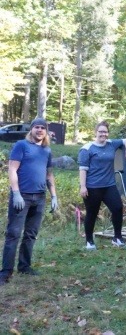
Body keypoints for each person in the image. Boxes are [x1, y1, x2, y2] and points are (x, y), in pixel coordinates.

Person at [0, 118, 58, 286]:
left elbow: (49, 174)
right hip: (22, 197)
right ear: (31, 129)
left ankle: (24, 266)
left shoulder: (46, 150)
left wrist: (53, 196)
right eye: (37, 127)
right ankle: (6, 271)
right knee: (13, 234)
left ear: (46, 131)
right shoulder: (21, 145)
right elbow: (12, 169)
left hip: (39, 198)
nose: (40, 130)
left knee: (31, 234)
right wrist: (16, 193)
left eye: (43, 128)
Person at [78, 121, 126, 250]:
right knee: (92, 213)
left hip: (109, 185)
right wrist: (83, 186)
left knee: (118, 208)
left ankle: (117, 238)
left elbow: (125, 140)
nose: (103, 134)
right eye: (101, 131)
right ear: (95, 132)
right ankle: (89, 241)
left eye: (105, 131)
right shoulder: (87, 148)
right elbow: (83, 169)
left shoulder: (111, 144)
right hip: (92, 187)